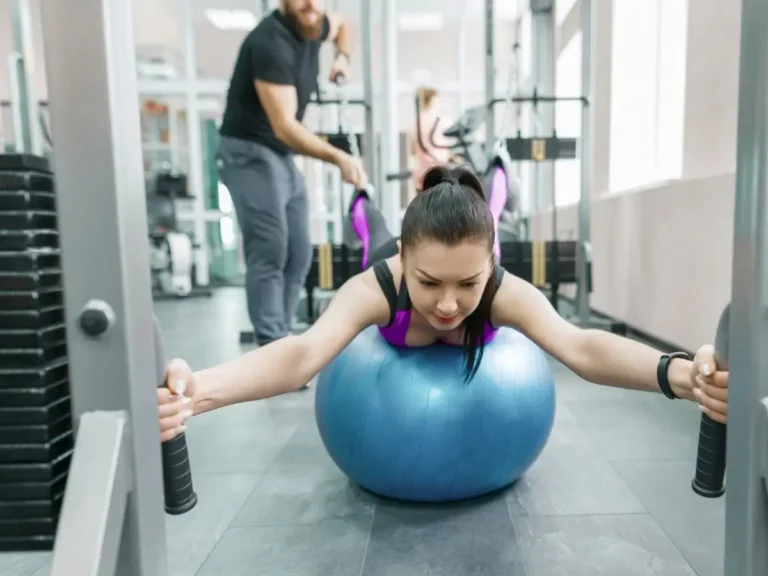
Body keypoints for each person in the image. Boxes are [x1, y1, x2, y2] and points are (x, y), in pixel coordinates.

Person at [158, 165, 729, 443]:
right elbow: (303, 355)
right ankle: (363, 197)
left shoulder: (499, 288)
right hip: (386, 248)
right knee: (369, 223)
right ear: (407, 260)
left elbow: (578, 346)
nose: (450, 306)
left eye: (469, 284)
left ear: (489, 267)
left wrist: (681, 375)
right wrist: (196, 394)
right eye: (430, 283)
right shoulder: (378, 285)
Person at [216, 0, 368, 348]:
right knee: (270, 246)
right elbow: (285, 126)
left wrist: (342, 58)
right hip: (247, 151)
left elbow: (345, 25)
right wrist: (338, 158)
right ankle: (273, 346)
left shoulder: (313, 23)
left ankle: (281, 334)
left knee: (299, 249)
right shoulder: (269, 42)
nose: (310, 4)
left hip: (278, 155)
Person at [410, 86, 454, 192]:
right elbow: (448, 148)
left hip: (421, 177)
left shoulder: (415, 124)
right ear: (433, 99)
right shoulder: (442, 121)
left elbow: (413, 151)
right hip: (439, 174)